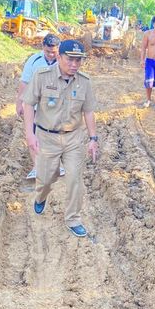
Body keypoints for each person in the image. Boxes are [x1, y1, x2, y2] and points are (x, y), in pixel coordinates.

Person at [22, 40, 98, 238]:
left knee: (74, 179)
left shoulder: (84, 82)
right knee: (46, 179)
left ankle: (73, 218)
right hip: (46, 137)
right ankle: (41, 197)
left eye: (78, 60)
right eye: (70, 59)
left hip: (73, 138)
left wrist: (93, 138)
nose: (74, 64)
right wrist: (30, 135)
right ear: (59, 57)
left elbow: (88, 111)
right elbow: (28, 104)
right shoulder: (41, 76)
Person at [16, 34, 65, 179]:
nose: (51, 55)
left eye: (54, 52)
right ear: (42, 47)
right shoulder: (33, 61)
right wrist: (19, 103)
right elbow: (24, 82)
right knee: (33, 133)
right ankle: (37, 166)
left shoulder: (65, 61)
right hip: (36, 105)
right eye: (48, 51)